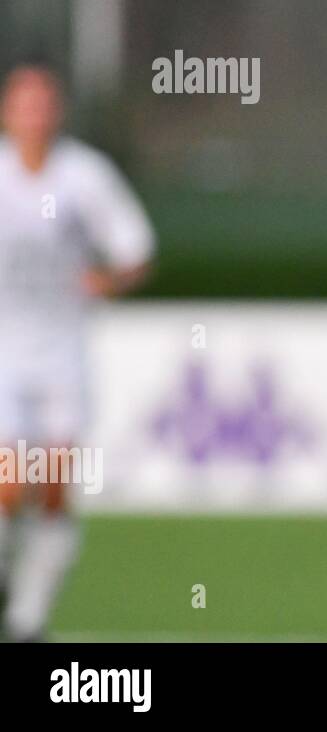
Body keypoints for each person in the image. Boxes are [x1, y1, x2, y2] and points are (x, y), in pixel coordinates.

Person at [0, 62, 156, 641]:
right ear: (7, 112)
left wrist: (107, 281)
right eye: (23, 103)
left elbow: (136, 250)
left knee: (56, 487)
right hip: (4, 352)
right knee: (10, 477)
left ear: (56, 112)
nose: (33, 114)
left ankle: (28, 620)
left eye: (43, 103)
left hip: (64, 352)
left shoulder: (85, 176)